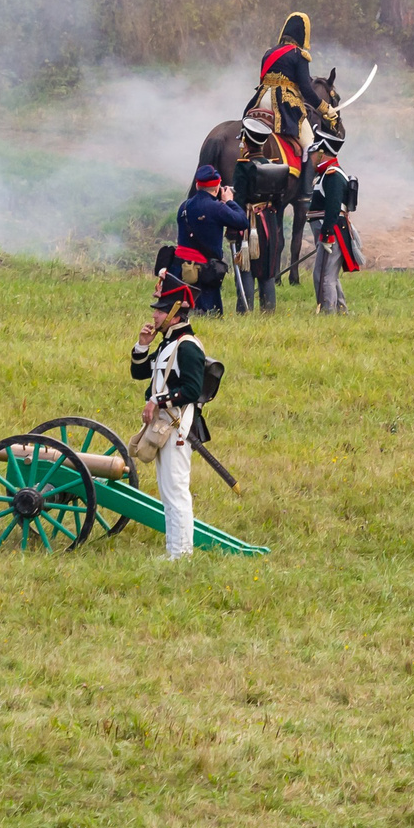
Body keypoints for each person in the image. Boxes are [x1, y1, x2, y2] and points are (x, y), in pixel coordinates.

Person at [131, 276, 213, 561]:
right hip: (166, 423)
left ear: (176, 313)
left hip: (179, 424)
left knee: (176, 490)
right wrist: (142, 345)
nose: (155, 314)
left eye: (160, 310)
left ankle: (181, 554)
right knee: (168, 491)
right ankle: (173, 551)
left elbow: (191, 389)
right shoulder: (169, 343)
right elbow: (141, 373)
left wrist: (158, 400)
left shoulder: (188, 346)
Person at [175, 167, 247, 316]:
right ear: (217, 187)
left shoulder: (184, 206)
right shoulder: (217, 208)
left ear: (197, 185)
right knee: (211, 314)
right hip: (207, 270)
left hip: (182, 267)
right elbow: (242, 221)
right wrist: (229, 202)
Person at [257, 12, 320, 171]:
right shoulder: (299, 55)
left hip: (261, 99)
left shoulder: (268, 53)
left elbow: (261, 80)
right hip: (282, 103)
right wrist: (325, 108)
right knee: (310, 144)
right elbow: (306, 89)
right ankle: (305, 192)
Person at [307, 134, 354, 313]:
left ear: (321, 154)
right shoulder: (327, 174)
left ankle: (328, 313)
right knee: (329, 275)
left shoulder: (333, 175)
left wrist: (327, 234)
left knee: (324, 276)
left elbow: (334, 207)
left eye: (313, 154)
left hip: (332, 230)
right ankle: (341, 310)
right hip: (330, 229)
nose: (310, 158)